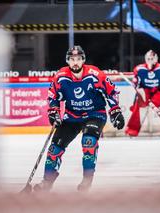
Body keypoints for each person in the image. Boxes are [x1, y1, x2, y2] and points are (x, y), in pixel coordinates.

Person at [34, 45, 125, 192]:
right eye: (72, 59)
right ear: (67, 61)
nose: (75, 62)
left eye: (78, 59)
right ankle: (47, 181)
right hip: (71, 116)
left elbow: (112, 91)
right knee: (54, 148)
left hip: (95, 114)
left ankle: (87, 179)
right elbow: (53, 96)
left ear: (83, 60)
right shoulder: (60, 77)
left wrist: (115, 111)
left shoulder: (95, 74)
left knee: (88, 142)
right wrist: (53, 112)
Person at [125, 50, 160, 136]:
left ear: (156, 59)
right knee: (139, 108)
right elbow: (136, 82)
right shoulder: (139, 69)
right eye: (148, 58)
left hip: (158, 90)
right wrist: (136, 85)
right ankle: (132, 130)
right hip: (145, 91)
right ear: (145, 59)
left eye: (152, 58)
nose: (150, 60)